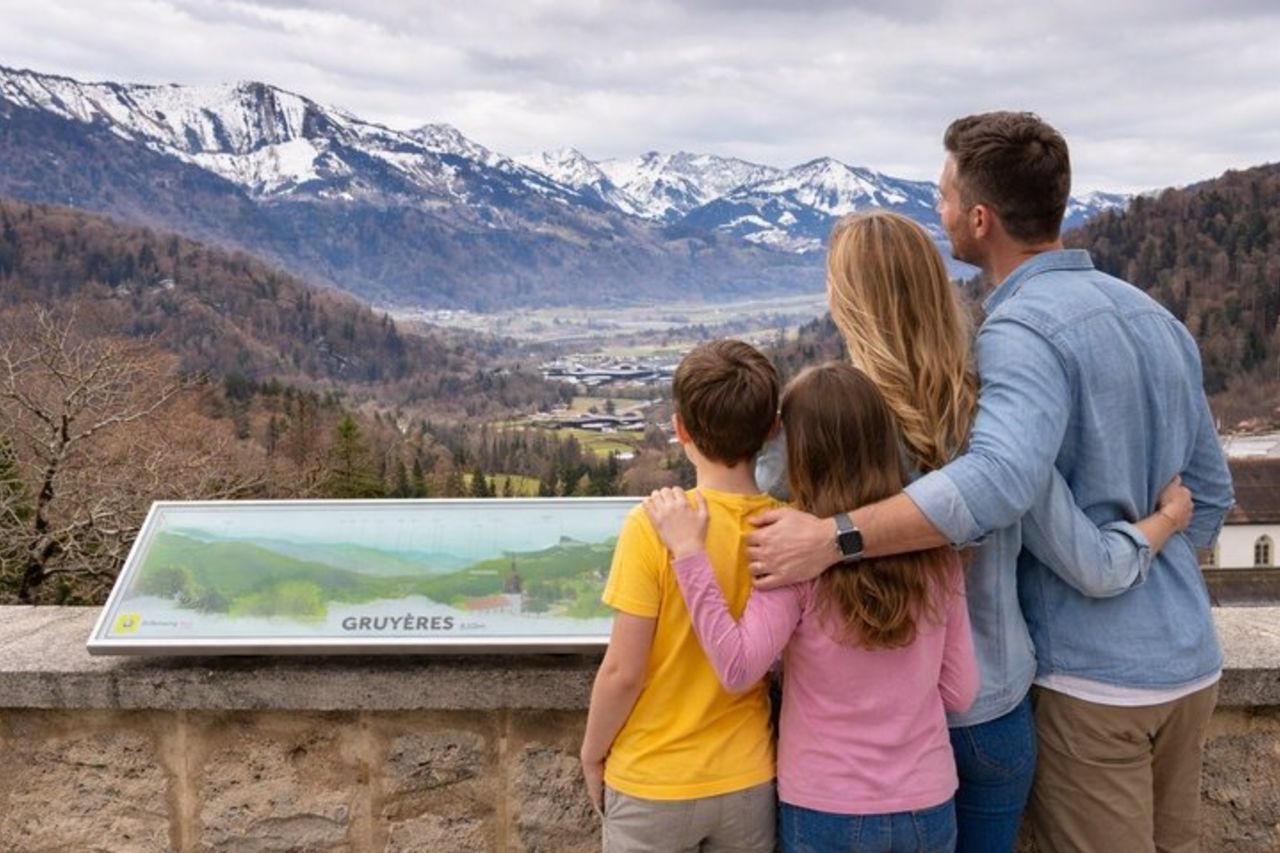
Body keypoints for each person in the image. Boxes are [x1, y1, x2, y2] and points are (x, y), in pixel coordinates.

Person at [747, 112, 1234, 853]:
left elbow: (1002, 485)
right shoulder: (1149, 320)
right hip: (1134, 669)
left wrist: (833, 537)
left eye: (944, 195)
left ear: (979, 216)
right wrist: (1155, 561)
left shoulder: (1010, 345)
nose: (939, 210)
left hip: (1018, 699)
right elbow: (1210, 492)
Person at [647, 361, 980, 852]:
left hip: (827, 806)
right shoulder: (936, 557)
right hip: (925, 803)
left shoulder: (794, 554)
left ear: (798, 450)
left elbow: (738, 667)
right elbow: (959, 692)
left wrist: (689, 555)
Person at [580, 338, 782, 853]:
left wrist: (591, 751)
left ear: (680, 429)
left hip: (652, 777)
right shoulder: (788, 527)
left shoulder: (652, 527)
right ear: (771, 429)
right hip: (747, 775)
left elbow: (624, 672)